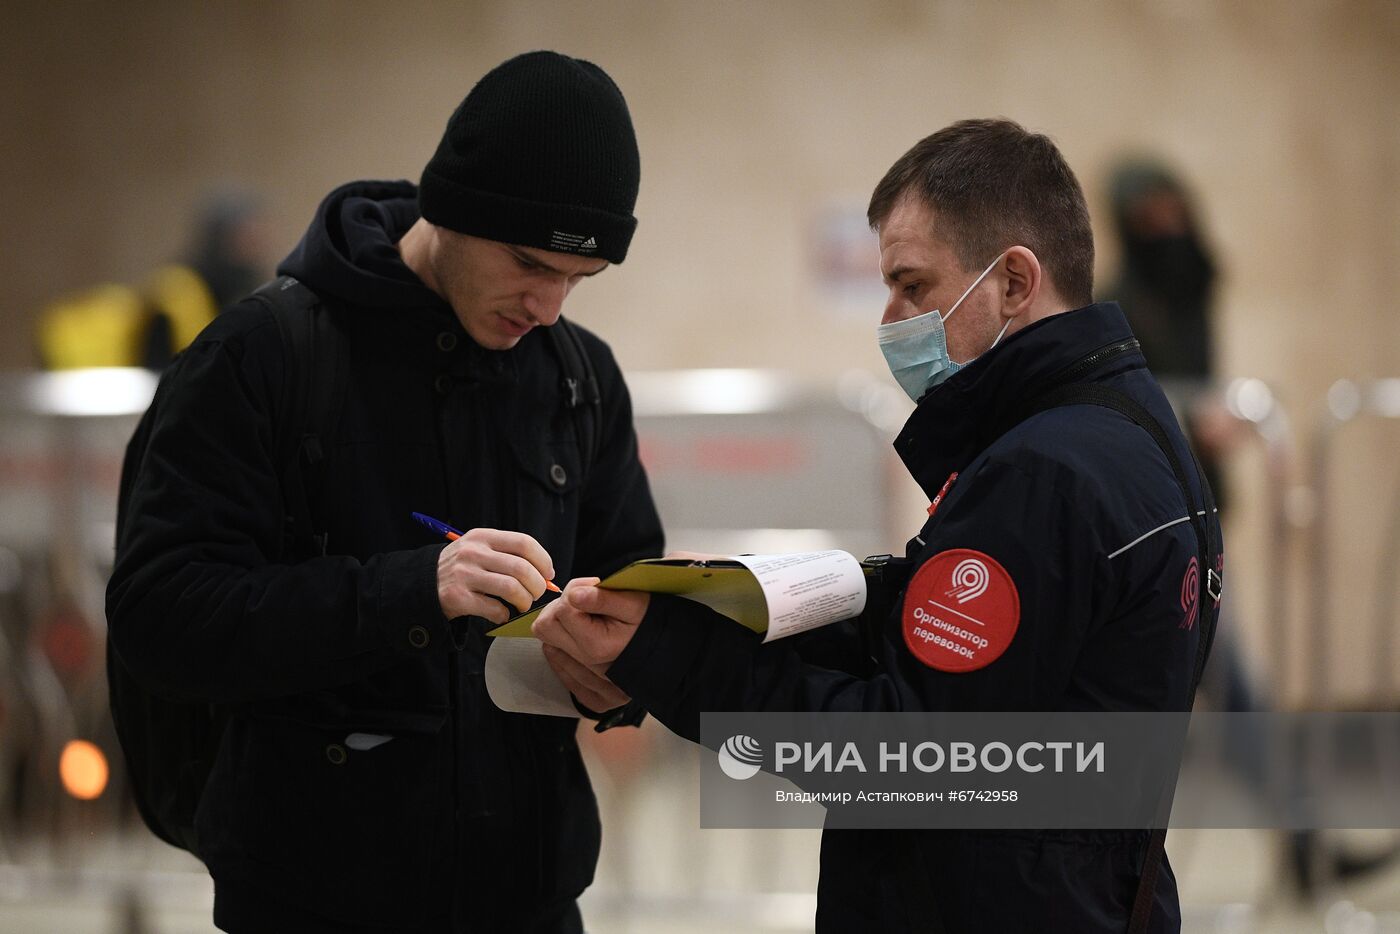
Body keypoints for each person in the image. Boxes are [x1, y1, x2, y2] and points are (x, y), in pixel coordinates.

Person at [532, 119, 1222, 933]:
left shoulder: (1041, 474)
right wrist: (738, 602)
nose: (890, 318)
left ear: (1013, 281)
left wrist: (664, 655)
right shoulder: (1136, 423)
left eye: (913, 286)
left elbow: (901, 759)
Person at [106, 52, 661, 933]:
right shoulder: (263, 357)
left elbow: (628, 573)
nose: (549, 306)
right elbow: (159, 616)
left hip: (531, 894)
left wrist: (621, 672)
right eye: (527, 262)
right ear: (449, 209)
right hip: (313, 897)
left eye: (579, 279)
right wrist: (412, 590)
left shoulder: (576, 376)